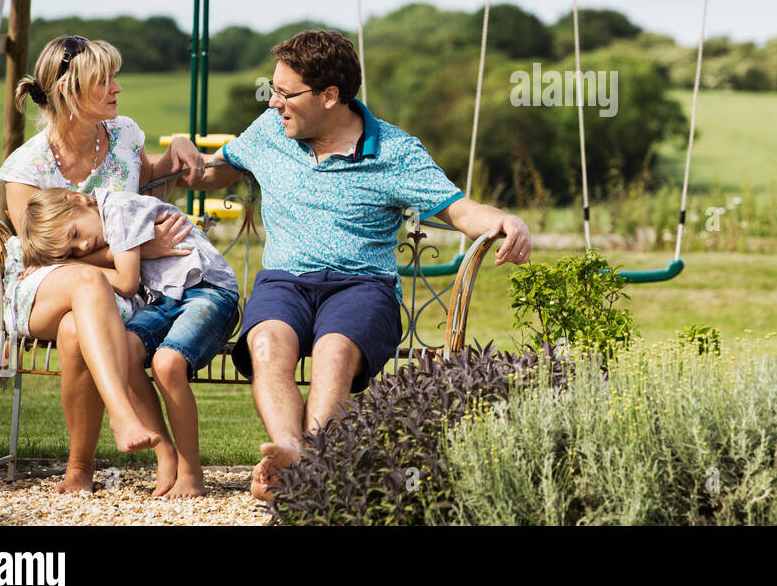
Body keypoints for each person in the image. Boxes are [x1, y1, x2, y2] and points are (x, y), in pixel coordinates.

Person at [189, 28, 533, 501]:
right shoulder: (272, 131)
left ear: (330, 95)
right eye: (273, 90)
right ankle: (293, 458)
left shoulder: (394, 151)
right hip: (285, 282)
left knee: (333, 353)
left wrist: (507, 219)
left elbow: (459, 210)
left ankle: (304, 469)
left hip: (361, 287)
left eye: (286, 93)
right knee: (266, 344)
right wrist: (157, 164)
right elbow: (214, 171)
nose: (273, 103)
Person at [0, 35, 208, 492]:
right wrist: (129, 250)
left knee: (77, 329)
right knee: (87, 283)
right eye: (104, 80)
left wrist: (180, 148)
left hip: (114, 290)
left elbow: (148, 181)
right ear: (71, 93)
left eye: (115, 76)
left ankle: (80, 471)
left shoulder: (125, 135)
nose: (117, 87)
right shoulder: (25, 169)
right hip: (42, 285)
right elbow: (42, 254)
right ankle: (123, 417)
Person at [18, 187, 240, 498]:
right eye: (74, 248)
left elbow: (125, 282)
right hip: (166, 298)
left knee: (167, 363)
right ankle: (165, 453)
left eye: (76, 233)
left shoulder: (119, 208)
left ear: (78, 200)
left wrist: (67, 266)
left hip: (209, 291)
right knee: (123, 349)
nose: (83, 245)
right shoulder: (98, 219)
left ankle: (191, 471)